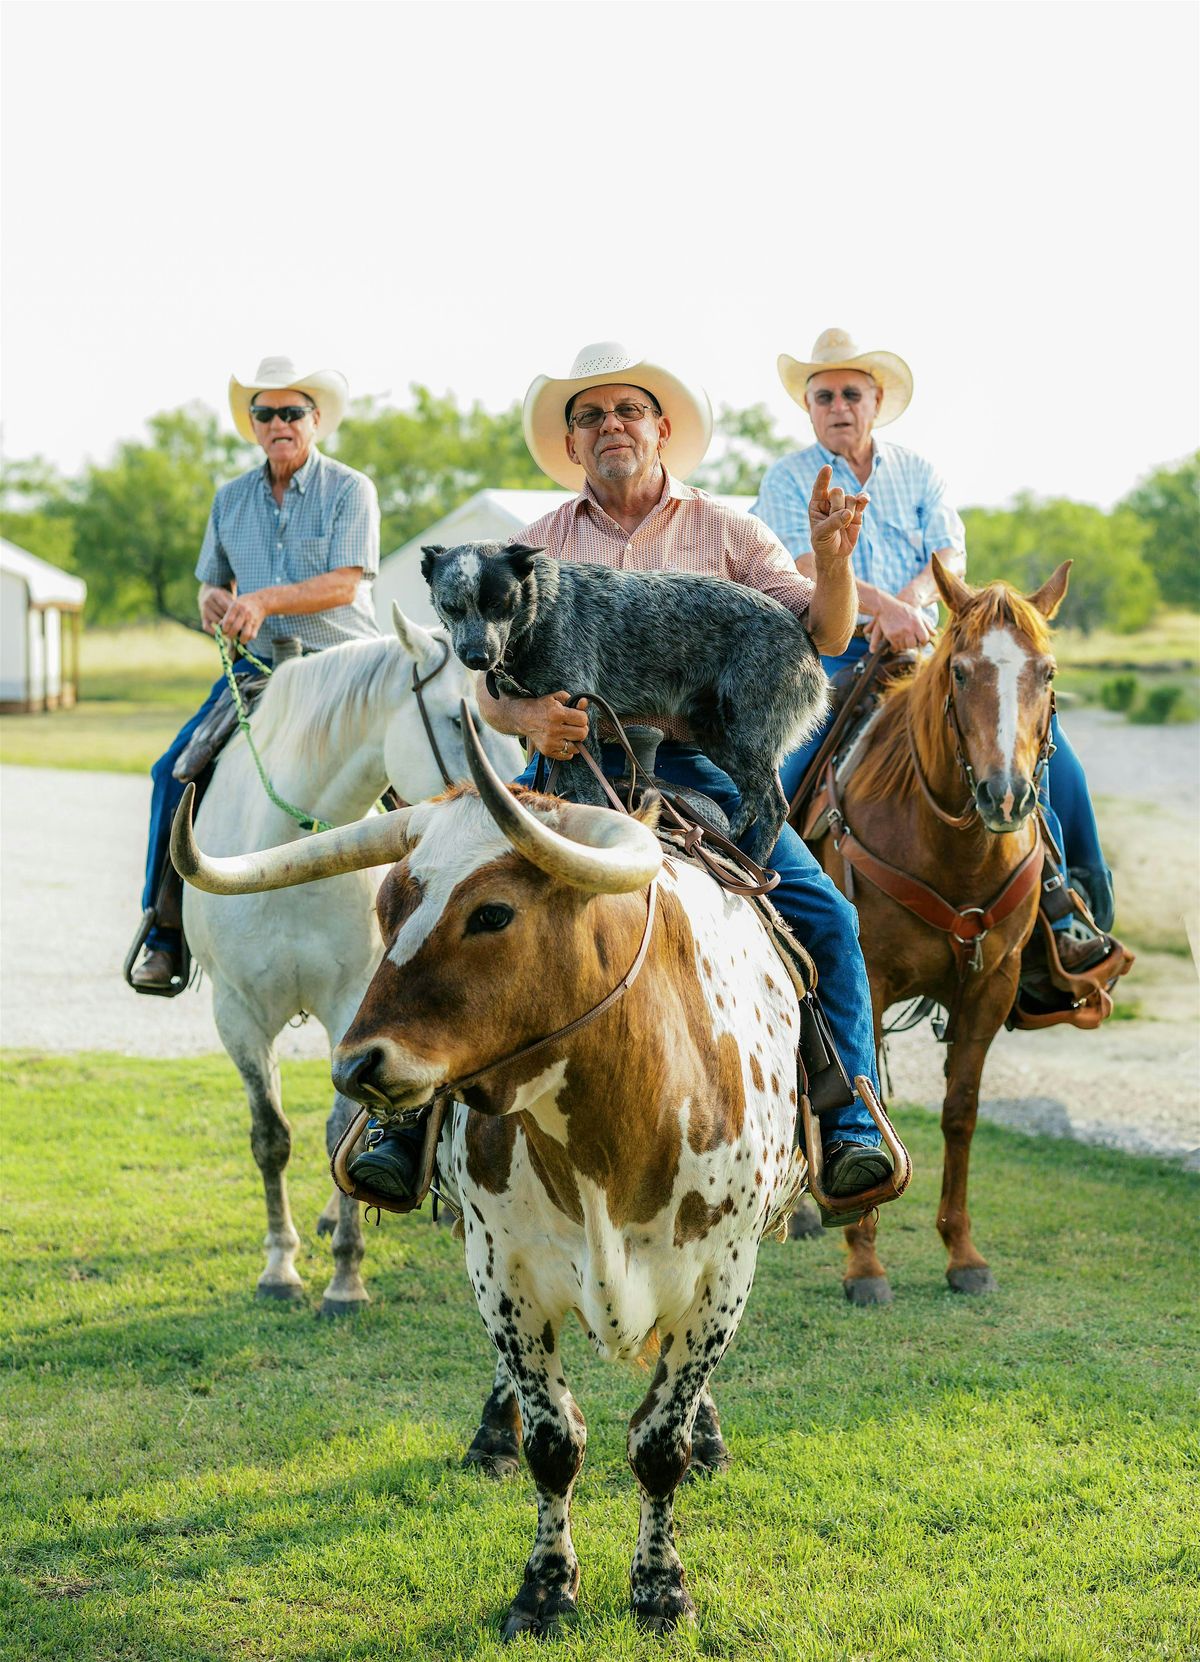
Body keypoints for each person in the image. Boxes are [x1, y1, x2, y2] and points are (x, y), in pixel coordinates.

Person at [350, 342, 895, 1221]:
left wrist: (834, 560)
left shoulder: (730, 533)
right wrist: (531, 720)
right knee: (432, 900)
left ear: (662, 430)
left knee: (826, 916)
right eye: (592, 416)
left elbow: (823, 639)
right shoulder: (529, 545)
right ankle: (394, 1129)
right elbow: (488, 688)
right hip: (565, 770)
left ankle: (851, 1118)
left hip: (700, 769)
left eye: (628, 411)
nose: (612, 426)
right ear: (572, 444)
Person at [754, 328, 1115, 933]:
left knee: (1047, 749)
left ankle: (1077, 903)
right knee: (786, 766)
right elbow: (803, 564)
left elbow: (948, 554)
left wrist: (911, 607)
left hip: (921, 651)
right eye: (824, 397)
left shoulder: (918, 472)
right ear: (810, 408)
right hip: (829, 656)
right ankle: (764, 894)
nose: (838, 407)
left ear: (875, 400)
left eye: (850, 394)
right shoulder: (788, 480)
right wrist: (881, 611)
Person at [128, 356, 381, 990]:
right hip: (259, 671)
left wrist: (264, 598)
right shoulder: (230, 498)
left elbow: (347, 585)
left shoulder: (351, 489)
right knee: (173, 771)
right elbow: (211, 586)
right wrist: (212, 602)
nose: (278, 422)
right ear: (253, 424)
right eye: (264, 413)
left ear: (315, 420)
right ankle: (167, 933)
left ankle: (428, 941)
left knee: (419, 781)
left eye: (291, 412)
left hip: (343, 670)